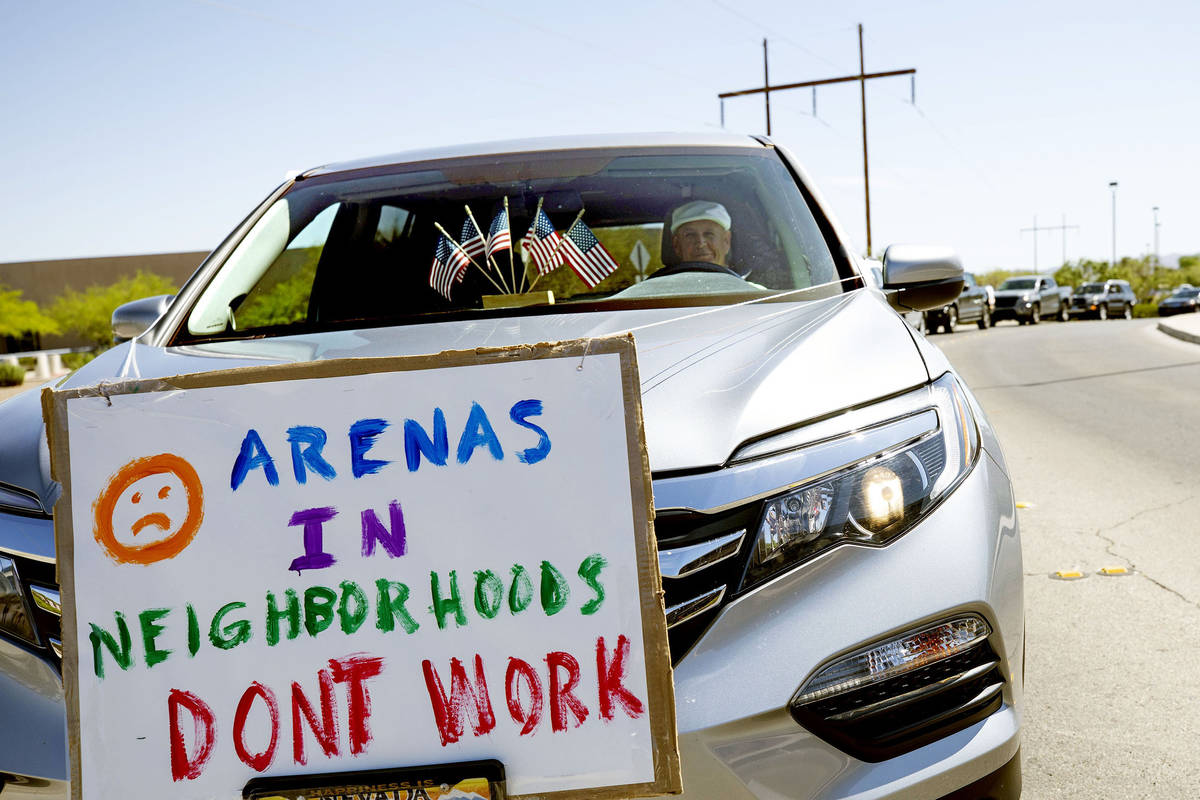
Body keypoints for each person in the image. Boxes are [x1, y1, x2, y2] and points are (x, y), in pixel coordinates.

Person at [670, 200, 732, 266]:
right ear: (677, 245)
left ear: (726, 241)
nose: (701, 244)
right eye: (690, 235)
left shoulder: (739, 277)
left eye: (709, 234)